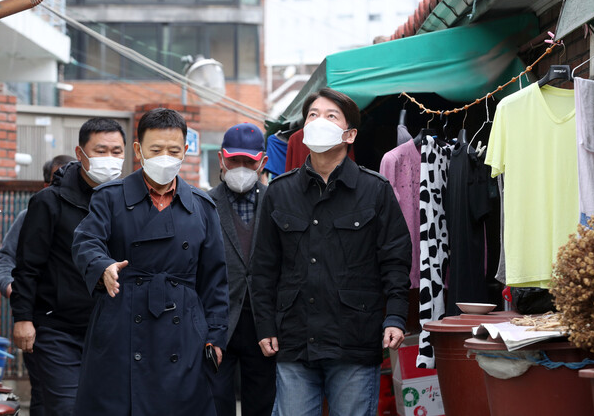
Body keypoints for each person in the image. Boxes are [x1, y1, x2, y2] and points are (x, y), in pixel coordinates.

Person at [251, 87, 411, 416]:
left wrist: (395, 316)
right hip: (294, 339)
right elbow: (263, 267)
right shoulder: (279, 193)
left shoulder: (375, 190)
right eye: (313, 115)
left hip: (354, 338)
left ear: (349, 134)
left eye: (330, 116)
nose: (319, 121)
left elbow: (394, 260)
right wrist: (265, 324)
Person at [71, 108, 229, 415]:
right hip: (122, 322)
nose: (165, 157)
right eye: (156, 150)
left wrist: (216, 337)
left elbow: (215, 281)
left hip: (183, 330)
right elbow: (85, 240)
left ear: (186, 150)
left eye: (173, 150)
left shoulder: (202, 206)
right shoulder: (109, 196)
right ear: (138, 149)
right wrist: (103, 265)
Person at [10, 118, 126, 416]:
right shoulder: (49, 202)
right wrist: (23, 318)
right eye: (101, 151)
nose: (109, 159)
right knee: (67, 408)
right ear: (80, 152)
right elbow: (27, 266)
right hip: (57, 329)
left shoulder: (128, 201)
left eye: (117, 151)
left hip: (110, 328)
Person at [0, 154, 73, 416]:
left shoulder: (97, 210)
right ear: (46, 186)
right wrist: (12, 288)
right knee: (45, 395)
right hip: (42, 323)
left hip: (83, 325)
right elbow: (6, 259)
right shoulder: (31, 213)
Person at [209, 123, 275, 416]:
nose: (241, 167)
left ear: (262, 161)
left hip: (264, 325)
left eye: (248, 162)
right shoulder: (204, 204)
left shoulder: (277, 201)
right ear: (222, 159)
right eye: (235, 160)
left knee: (262, 403)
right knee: (216, 401)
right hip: (219, 323)